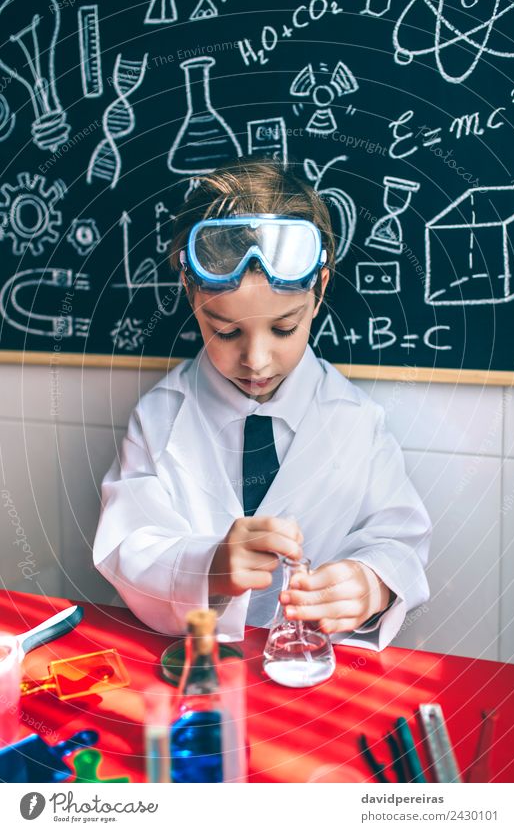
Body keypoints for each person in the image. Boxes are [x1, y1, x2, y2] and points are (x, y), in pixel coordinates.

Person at [93, 159, 432, 651]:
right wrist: (207, 565)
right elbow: (127, 545)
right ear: (191, 294)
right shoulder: (160, 417)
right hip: (196, 668)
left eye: (283, 328)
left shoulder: (357, 421)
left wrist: (371, 582)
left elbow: (399, 536)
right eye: (226, 331)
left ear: (318, 291)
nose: (256, 359)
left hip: (309, 675)